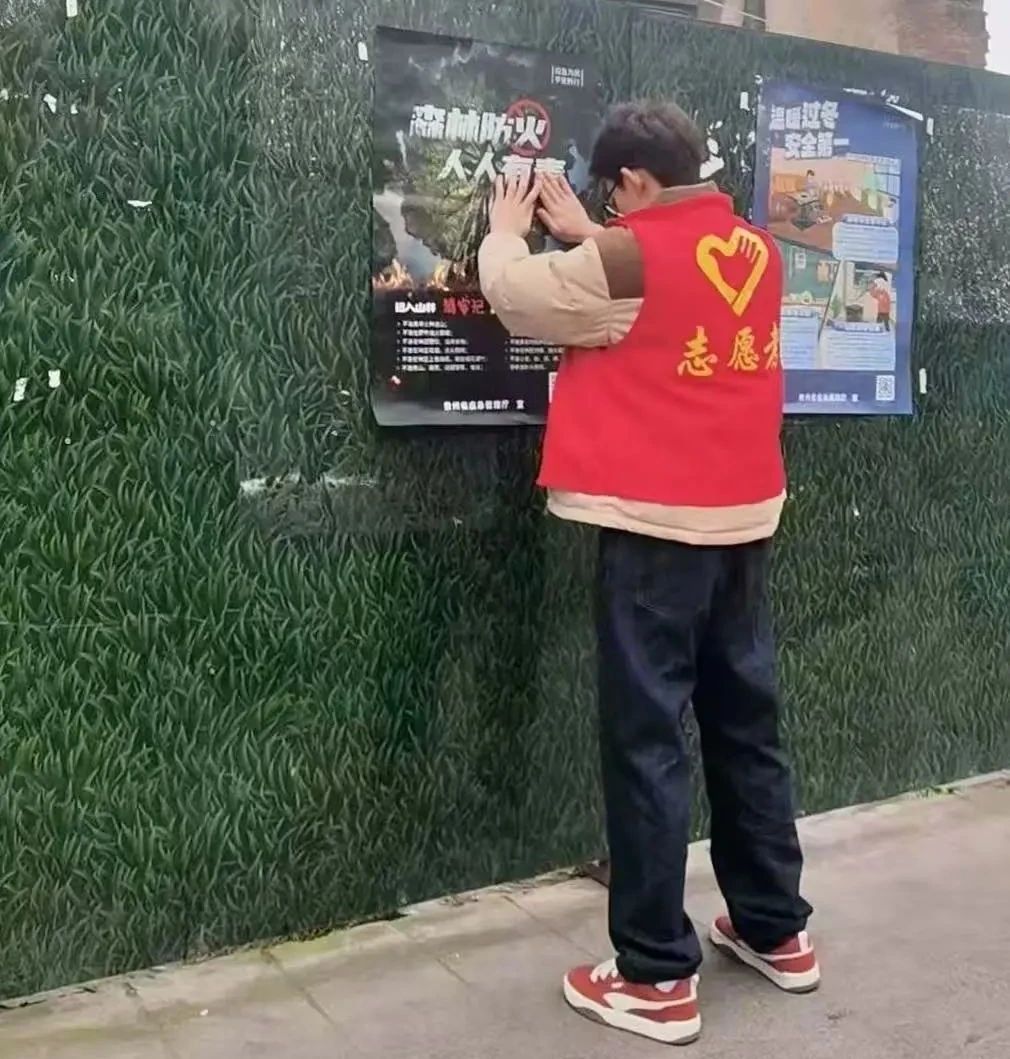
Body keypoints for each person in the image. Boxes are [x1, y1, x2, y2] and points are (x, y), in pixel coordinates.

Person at [478, 101, 818, 1047]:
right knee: (745, 726)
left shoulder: (625, 259)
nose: (609, 208)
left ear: (632, 180)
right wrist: (594, 237)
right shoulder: (757, 248)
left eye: (611, 194)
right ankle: (775, 926)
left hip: (655, 529)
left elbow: (524, 297)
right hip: (742, 521)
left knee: (647, 742)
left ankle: (655, 974)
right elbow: (668, 286)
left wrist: (507, 232)